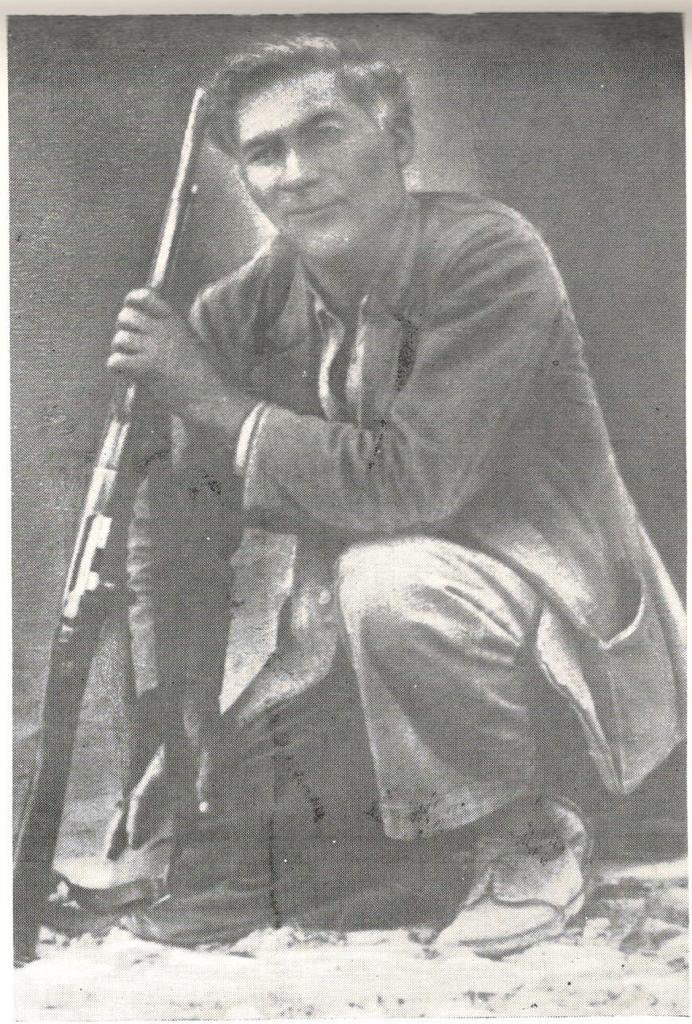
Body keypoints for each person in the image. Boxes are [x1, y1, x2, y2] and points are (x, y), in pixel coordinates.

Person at [105, 35, 685, 955]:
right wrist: (173, 715)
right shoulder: (237, 311)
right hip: (363, 642)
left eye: (323, 133)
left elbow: (415, 482)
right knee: (235, 841)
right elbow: (177, 527)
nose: (297, 174)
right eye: (264, 153)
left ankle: (531, 835)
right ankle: (432, 844)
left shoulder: (490, 254)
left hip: (549, 628)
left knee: (389, 578)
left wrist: (217, 404)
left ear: (400, 140)